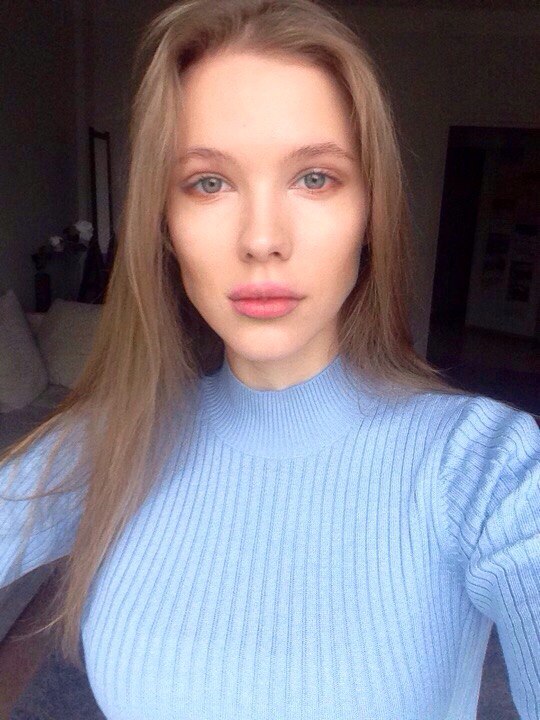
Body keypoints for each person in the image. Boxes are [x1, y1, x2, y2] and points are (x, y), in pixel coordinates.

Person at [1, 0, 539, 717]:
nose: (261, 239)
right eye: (209, 182)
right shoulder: (112, 441)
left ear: (369, 214)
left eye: (314, 177)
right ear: (165, 225)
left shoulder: (486, 471)